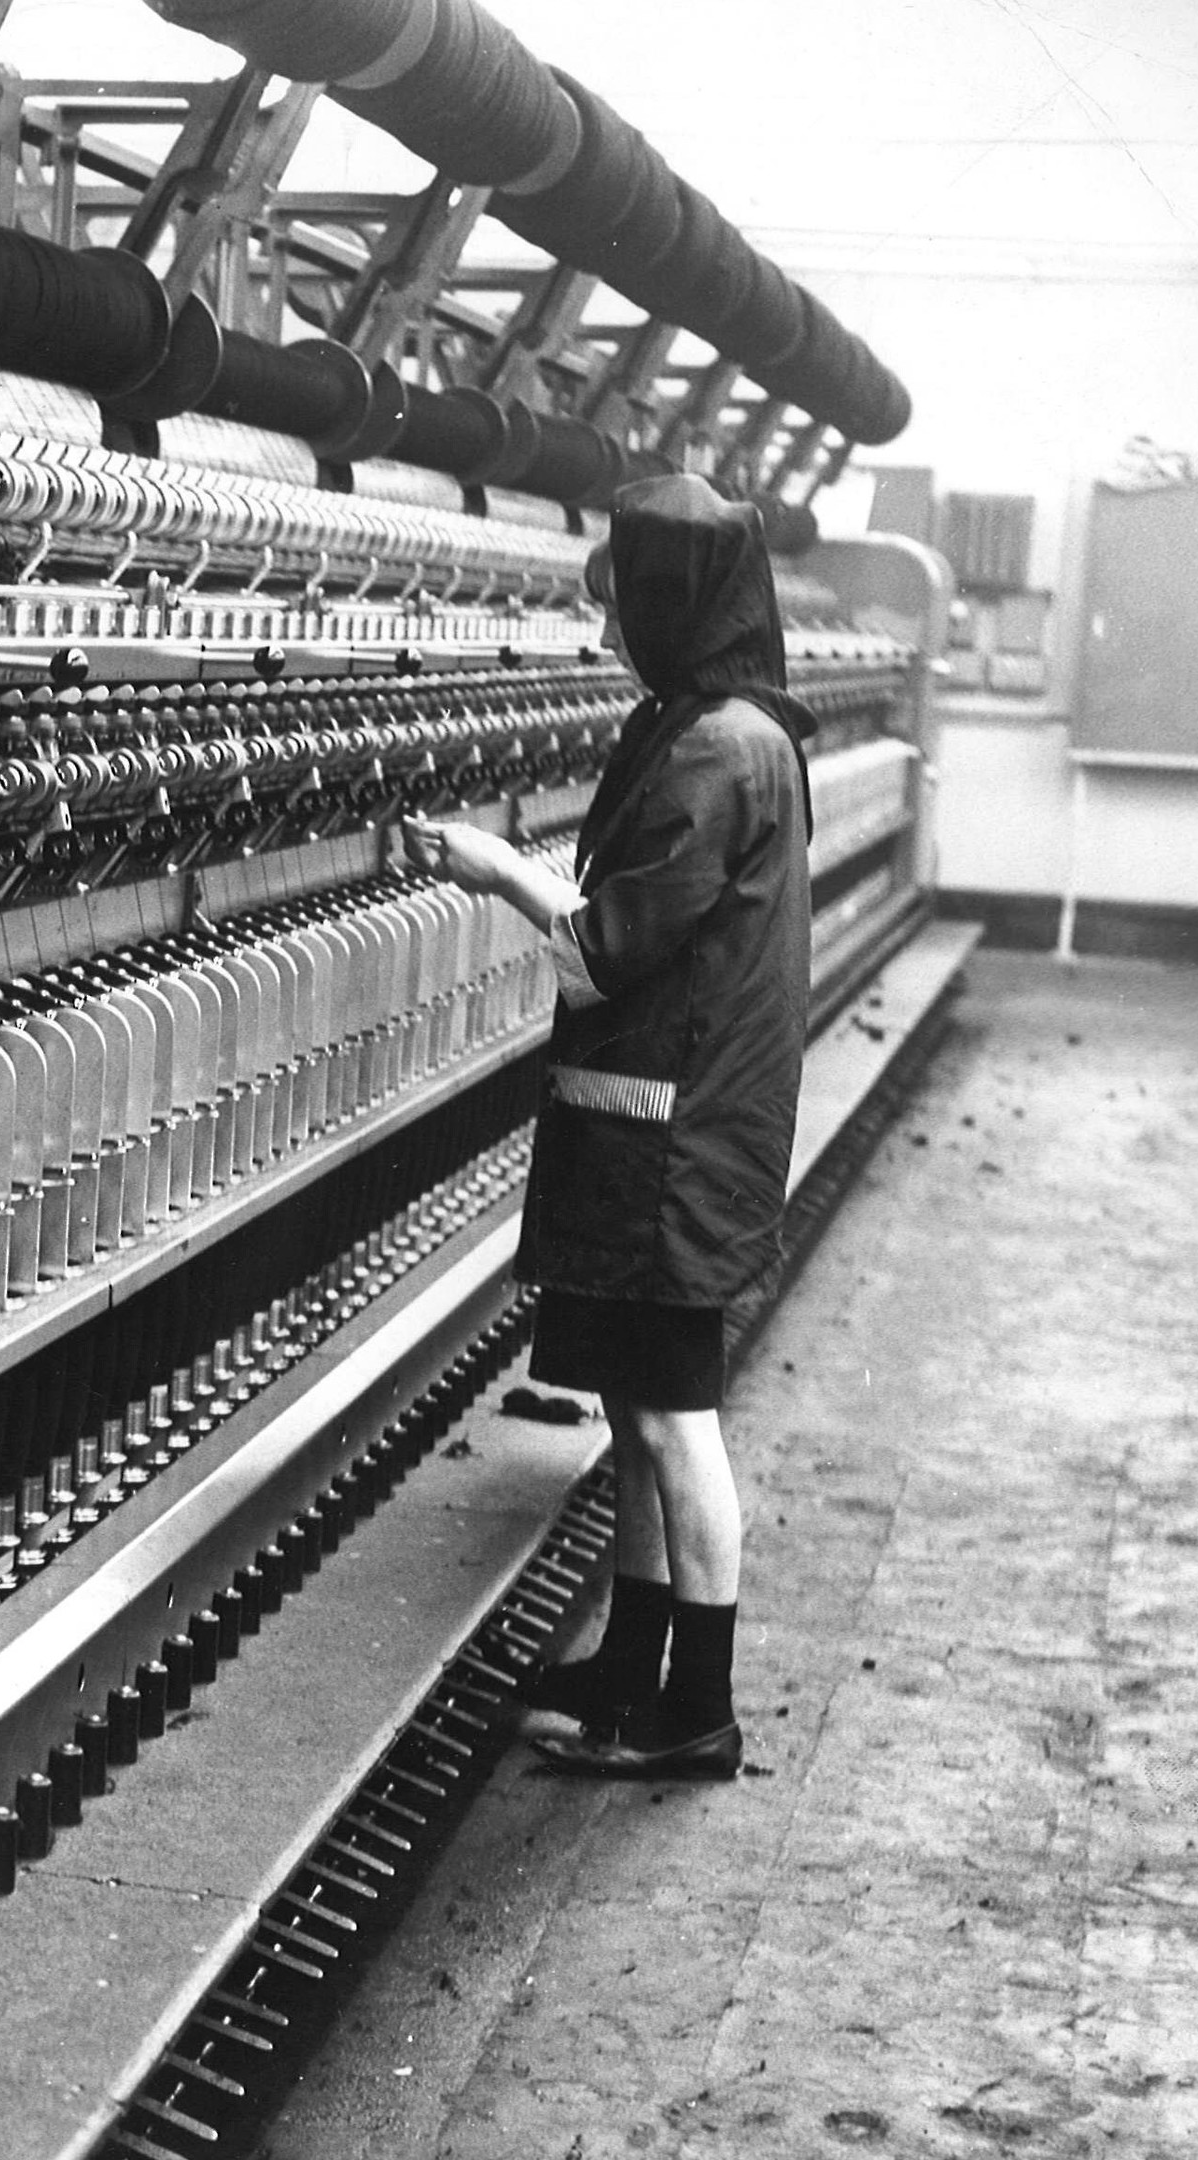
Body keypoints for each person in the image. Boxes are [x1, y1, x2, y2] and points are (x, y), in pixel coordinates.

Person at [399, 472, 813, 1780]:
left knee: (676, 1417)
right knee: (633, 1413)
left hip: (673, 1146)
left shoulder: (720, 749)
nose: (606, 635)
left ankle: (697, 1706)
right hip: (647, 1123)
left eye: (622, 607)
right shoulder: (695, 724)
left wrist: (491, 867)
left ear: (677, 602)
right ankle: (632, 1664)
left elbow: (603, 953)